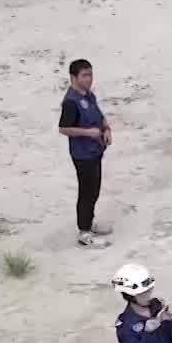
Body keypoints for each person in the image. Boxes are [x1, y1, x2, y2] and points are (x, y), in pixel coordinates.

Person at [58, 58, 113, 248]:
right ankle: (84, 232)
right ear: (74, 77)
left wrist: (106, 128)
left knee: (95, 189)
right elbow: (64, 128)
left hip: (95, 150)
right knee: (87, 192)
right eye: (85, 75)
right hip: (82, 154)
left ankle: (89, 223)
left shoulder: (88, 94)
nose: (89, 79)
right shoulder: (71, 102)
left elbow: (99, 114)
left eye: (90, 74)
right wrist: (88, 132)